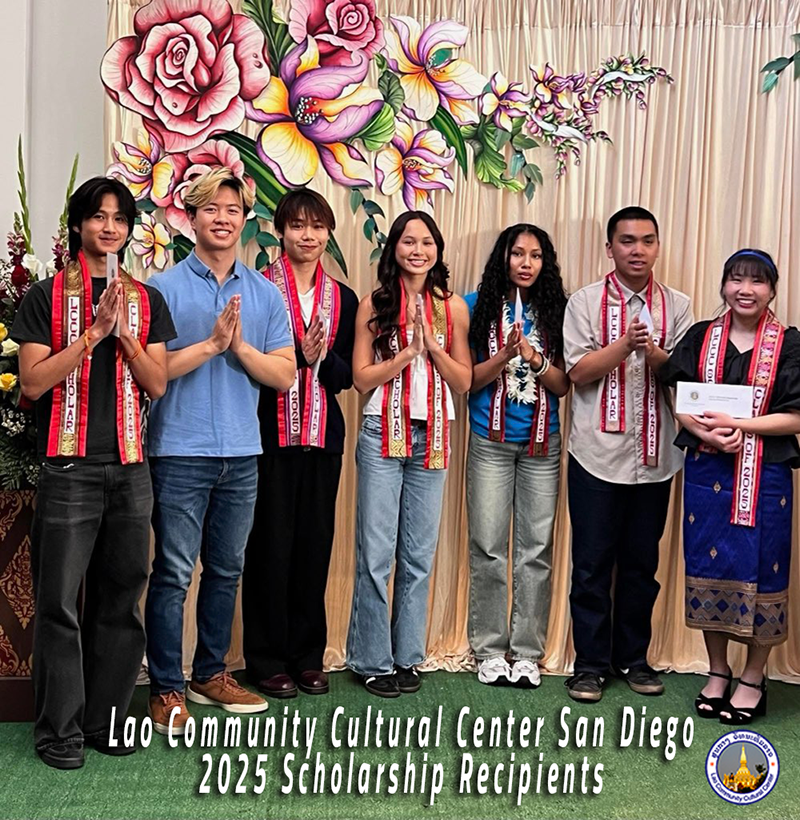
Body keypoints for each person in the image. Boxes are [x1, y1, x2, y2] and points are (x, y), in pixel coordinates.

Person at [13, 177, 176, 769]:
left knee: (121, 596)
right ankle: (58, 731)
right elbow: (33, 383)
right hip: (69, 469)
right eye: (98, 216)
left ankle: (106, 721)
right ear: (79, 224)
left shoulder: (146, 300)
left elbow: (157, 384)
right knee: (59, 602)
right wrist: (92, 335)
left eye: (120, 218)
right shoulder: (45, 296)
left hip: (131, 469)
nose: (110, 227)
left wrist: (125, 336)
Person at [145, 168, 295, 734]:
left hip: (242, 453)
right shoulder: (162, 288)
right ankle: (165, 686)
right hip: (178, 451)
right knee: (173, 573)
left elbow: (283, 374)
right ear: (191, 217)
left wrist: (239, 349)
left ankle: (210, 674)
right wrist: (210, 344)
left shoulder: (263, 293)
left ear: (245, 219)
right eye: (211, 208)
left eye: (233, 209)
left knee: (227, 570)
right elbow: (152, 372)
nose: (223, 219)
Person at [660, 249, 800, 724]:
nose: (746, 290)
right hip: (708, 470)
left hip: (766, 477)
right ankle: (718, 671)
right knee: (709, 564)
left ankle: (754, 677)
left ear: (772, 291)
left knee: (765, 568)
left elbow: (796, 417)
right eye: (736, 279)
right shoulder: (701, 337)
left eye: (757, 281)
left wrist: (740, 424)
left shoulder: (790, 345)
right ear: (723, 286)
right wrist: (705, 431)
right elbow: (680, 399)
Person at [562, 206, 693, 702]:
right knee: (591, 565)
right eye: (627, 241)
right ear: (610, 248)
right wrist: (624, 345)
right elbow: (577, 373)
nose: (638, 250)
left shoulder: (678, 306)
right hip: (595, 454)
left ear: (657, 247)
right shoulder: (583, 302)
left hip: (656, 458)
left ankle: (634, 659)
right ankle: (590, 665)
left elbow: (685, 378)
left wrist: (653, 352)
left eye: (647, 241)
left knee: (641, 566)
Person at [346, 211, 471, 698]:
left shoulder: (452, 307)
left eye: (426, 242)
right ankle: (372, 659)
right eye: (408, 241)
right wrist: (403, 355)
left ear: (437, 249)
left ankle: (407, 657)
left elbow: (463, 381)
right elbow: (361, 379)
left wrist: (433, 348)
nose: (418, 251)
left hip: (433, 435)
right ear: (394, 249)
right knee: (376, 554)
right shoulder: (374, 304)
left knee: (418, 556)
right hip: (382, 432)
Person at [242, 189, 357, 699]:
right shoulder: (258, 288)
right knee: (268, 547)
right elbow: (247, 364)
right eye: (297, 226)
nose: (307, 236)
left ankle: (308, 657)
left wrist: (320, 358)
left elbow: (346, 377)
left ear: (328, 233)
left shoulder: (344, 298)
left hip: (323, 438)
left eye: (317, 226)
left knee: (314, 548)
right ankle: (265, 659)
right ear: (280, 231)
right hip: (268, 436)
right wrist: (296, 356)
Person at [464, 224, 570, 687]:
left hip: (542, 445)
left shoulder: (558, 312)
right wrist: (505, 355)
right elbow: (468, 380)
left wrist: (535, 359)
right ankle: (489, 649)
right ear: (502, 258)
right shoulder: (474, 306)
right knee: (488, 546)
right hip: (489, 442)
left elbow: (564, 385)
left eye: (535, 255)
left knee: (536, 549)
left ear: (545, 263)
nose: (526, 263)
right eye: (517, 253)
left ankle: (527, 652)